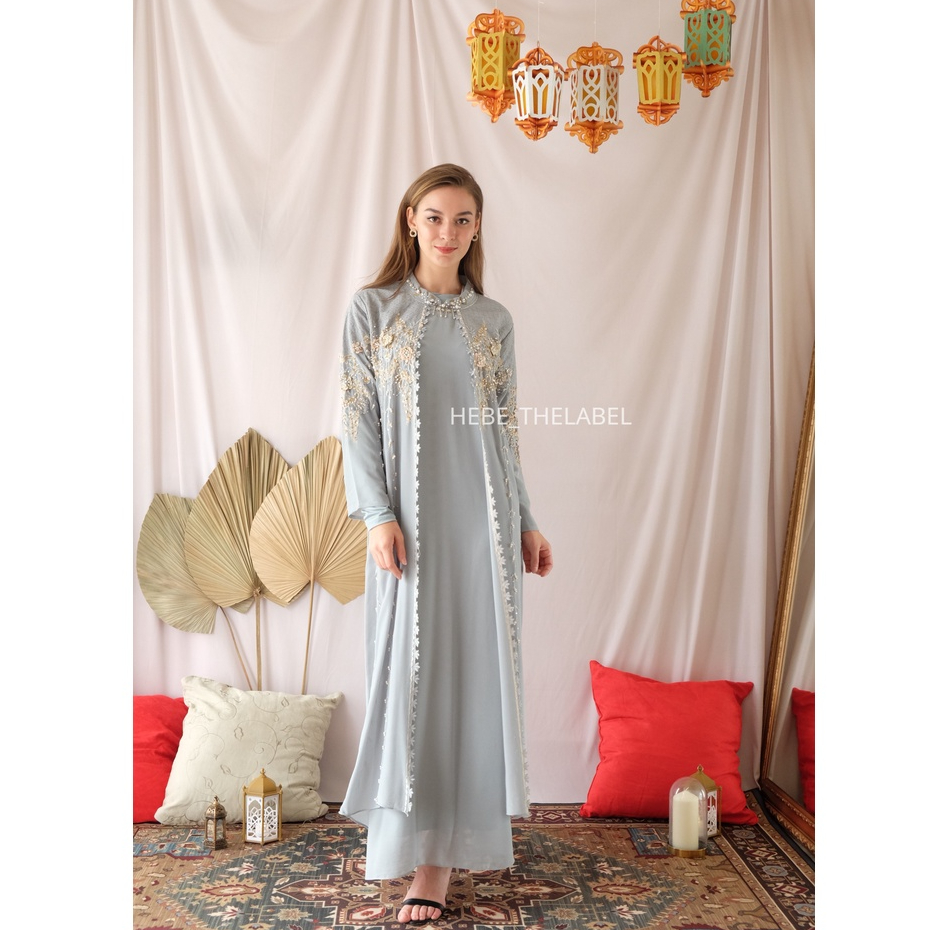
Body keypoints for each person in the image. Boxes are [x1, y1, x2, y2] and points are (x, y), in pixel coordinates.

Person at [339, 163, 552, 925]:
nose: (448, 232)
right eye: (434, 217)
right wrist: (376, 514)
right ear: (410, 220)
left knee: (471, 680)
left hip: (483, 526)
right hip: (410, 526)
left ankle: (437, 864)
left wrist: (525, 520)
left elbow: (505, 430)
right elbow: (357, 420)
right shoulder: (372, 310)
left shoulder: (494, 320)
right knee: (411, 677)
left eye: (462, 219)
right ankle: (406, 842)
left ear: (477, 227)